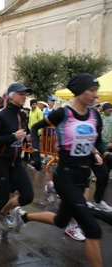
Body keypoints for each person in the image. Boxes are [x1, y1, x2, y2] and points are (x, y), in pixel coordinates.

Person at [15, 73, 108, 267]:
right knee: (93, 230)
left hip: (84, 175)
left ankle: (23, 216)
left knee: (60, 220)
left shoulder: (94, 115)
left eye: (96, 91)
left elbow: (98, 140)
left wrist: (101, 153)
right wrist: (36, 153)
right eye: (91, 90)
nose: (95, 95)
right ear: (80, 92)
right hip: (66, 176)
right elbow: (35, 129)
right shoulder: (63, 114)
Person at [0, 83, 34, 240]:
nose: (24, 97)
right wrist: (12, 137)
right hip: (0, 161)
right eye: (20, 94)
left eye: (25, 94)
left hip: (15, 162)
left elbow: (22, 133)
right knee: (2, 198)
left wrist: (26, 138)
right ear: (10, 96)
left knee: (28, 195)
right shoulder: (1, 116)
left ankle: (3, 212)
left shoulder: (22, 115)